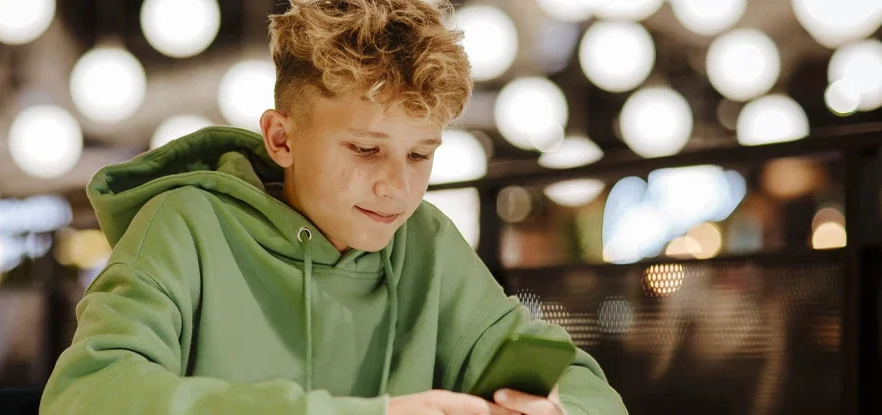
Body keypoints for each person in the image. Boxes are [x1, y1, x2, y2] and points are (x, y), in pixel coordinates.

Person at [40, 0, 627, 414]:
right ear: (281, 139)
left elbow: (588, 390)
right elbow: (87, 397)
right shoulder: (184, 225)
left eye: (420, 155)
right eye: (366, 150)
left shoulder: (426, 241)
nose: (397, 188)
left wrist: (555, 410)